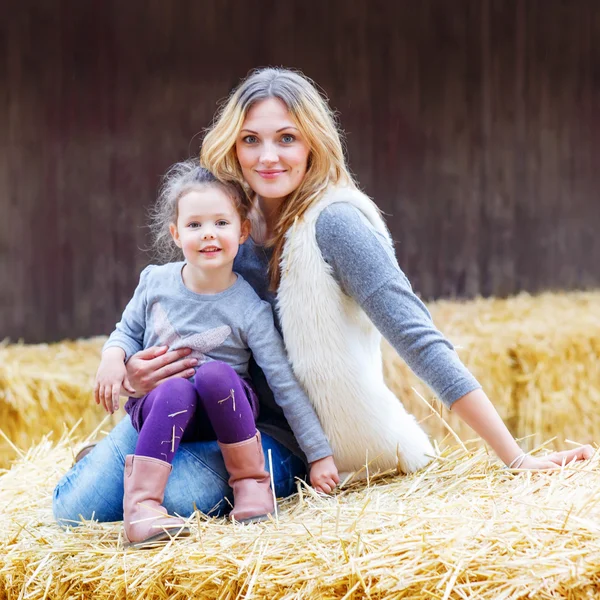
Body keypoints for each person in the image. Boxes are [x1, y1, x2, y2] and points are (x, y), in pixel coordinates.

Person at [53, 67, 592, 528]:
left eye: (287, 138)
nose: (268, 156)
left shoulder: (336, 225)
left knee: (169, 500)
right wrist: (133, 375)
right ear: (232, 145)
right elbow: (170, 316)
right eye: (251, 140)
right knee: (70, 510)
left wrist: (516, 458)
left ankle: (119, 466)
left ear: (313, 140)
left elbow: (419, 339)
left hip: (277, 438)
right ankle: (103, 464)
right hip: (191, 409)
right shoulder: (225, 220)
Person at [92, 162, 338, 546]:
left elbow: (283, 382)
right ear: (176, 233)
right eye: (194, 225)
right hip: (163, 409)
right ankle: (142, 511)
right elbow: (125, 332)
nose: (208, 234)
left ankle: (252, 488)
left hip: (225, 416)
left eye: (221, 223)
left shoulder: (250, 307)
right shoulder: (155, 281)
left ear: (243, 231)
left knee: (215, 376)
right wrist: (112, 359)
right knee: (176, 390)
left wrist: (319, 454)